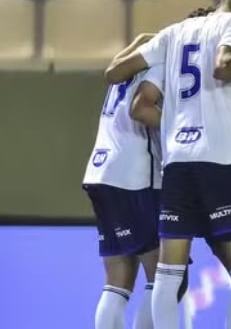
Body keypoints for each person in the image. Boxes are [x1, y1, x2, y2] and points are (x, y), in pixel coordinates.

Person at [103, 0, 231, 329]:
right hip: (221, 157)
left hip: (178, 161)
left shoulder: (174, 32)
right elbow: (223, 66)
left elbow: (115, 72)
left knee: (168, 272)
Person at [82, 33, 164, 329]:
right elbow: (142, 110)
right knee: (167, 278)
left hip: (100, 172)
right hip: (133, 177)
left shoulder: (130, 64)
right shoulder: (165, 61)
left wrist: (140, 39)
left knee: (118, 280)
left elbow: (112, 71)